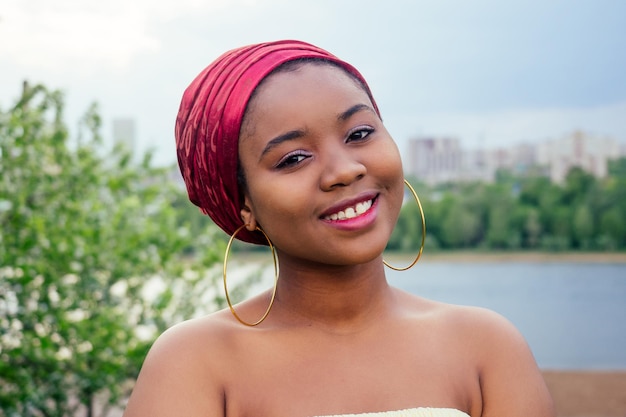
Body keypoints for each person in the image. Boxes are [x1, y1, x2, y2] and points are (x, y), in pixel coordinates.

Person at [123, 40, 555, 417]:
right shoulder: (195, 364)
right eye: (293, 158)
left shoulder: (487, 347)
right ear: (245, 206)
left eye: (360, 133)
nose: (345, 170)